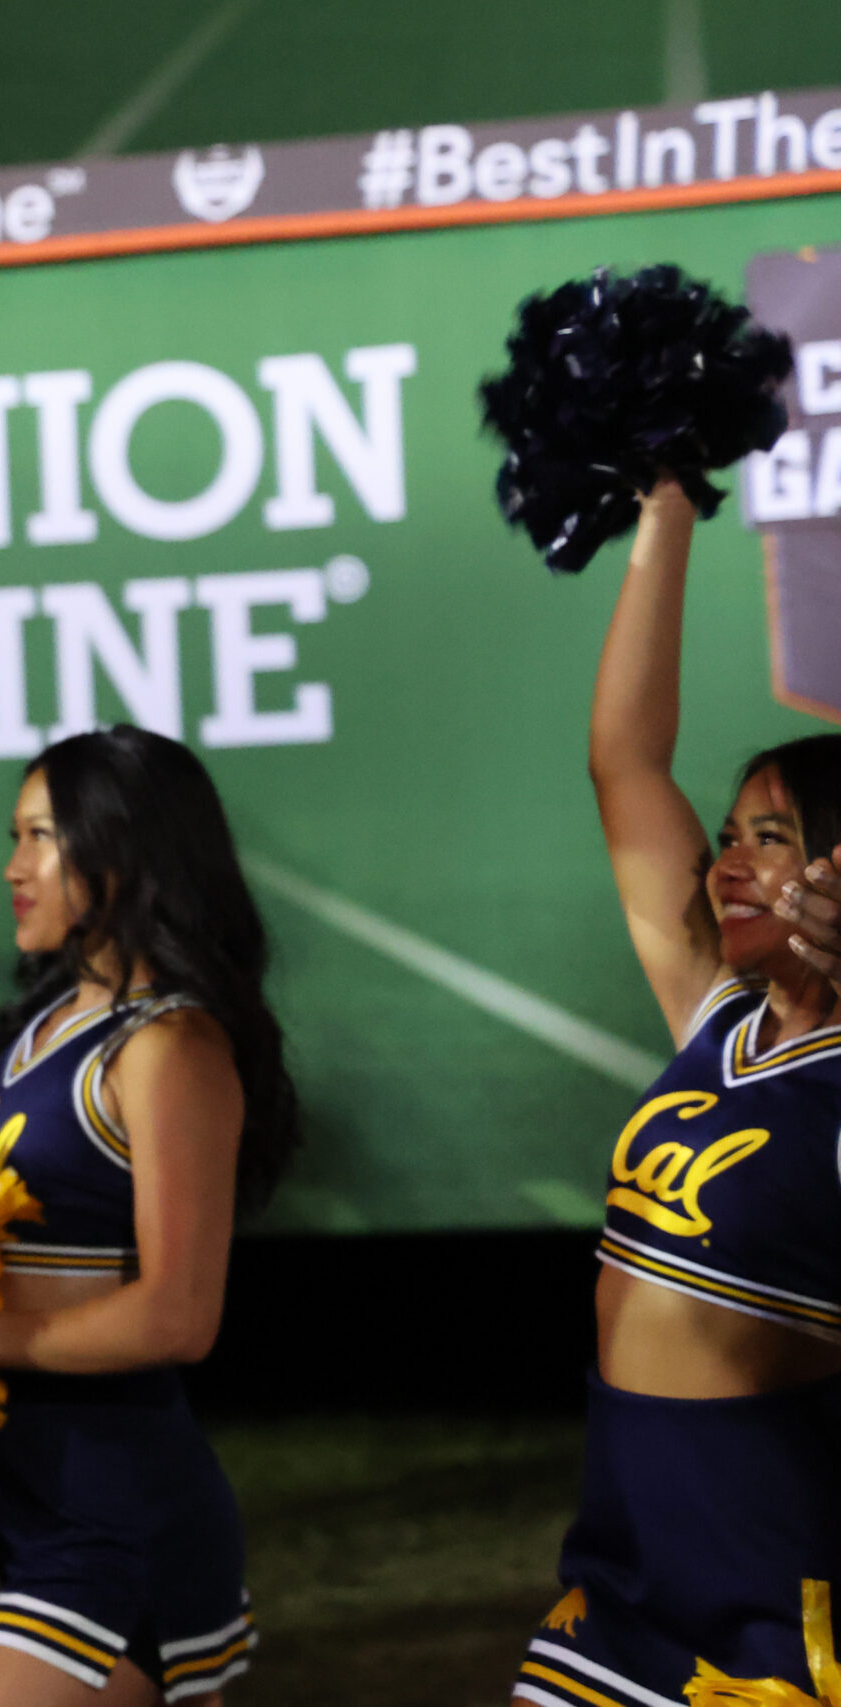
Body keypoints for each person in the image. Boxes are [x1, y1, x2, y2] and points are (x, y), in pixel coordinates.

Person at [508, 480, 841, 1706]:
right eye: (729, 832)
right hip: (624, 1568)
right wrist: (667, 511)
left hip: (774, 1594)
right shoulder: (715, 1012)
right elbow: (622, 760)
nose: (728, 863)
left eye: (771, 837)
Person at [0, 725, 295, 1707]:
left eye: (40, 838)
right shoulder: (47, 1023)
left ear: (123, 847)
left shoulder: (169, 1045)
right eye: (15, 837)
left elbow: (179, 1315)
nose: (13, 867)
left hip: (118, 1508)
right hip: (37, 1497)